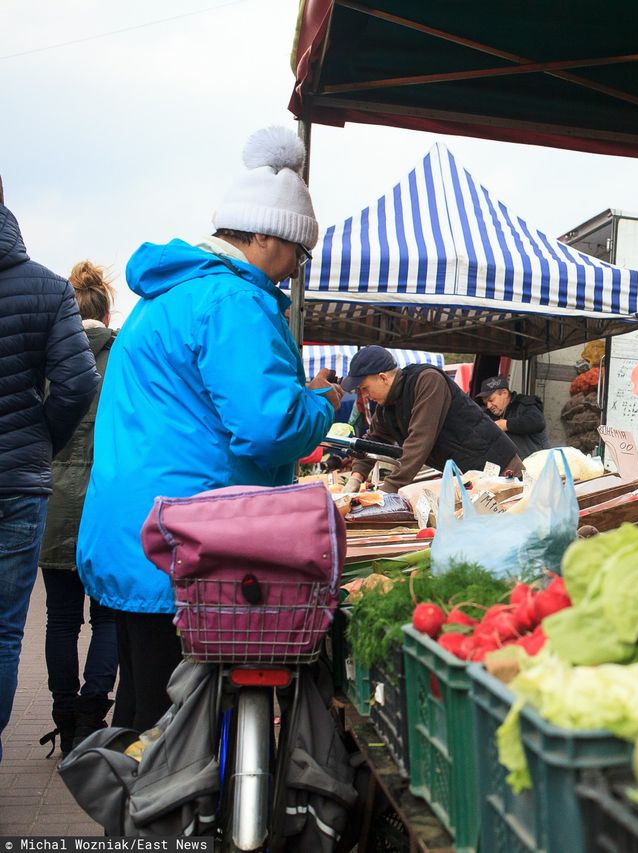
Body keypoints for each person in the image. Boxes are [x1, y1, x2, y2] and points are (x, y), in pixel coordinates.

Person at [77, 127, 342, 732]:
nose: (297, 269)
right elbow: (270, 427)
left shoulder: (167, 296)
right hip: (190, 544)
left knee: (150, 717)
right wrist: (321, 403)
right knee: (186, 733)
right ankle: (181, 828)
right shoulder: (231, 302)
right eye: (299, 253)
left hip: (140, 532)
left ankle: (147, 821)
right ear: (269, 236)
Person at [0, 176, 98, 761]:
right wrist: (42, 438)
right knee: (5, 631)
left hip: (25, 476)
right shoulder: (45, 288)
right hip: (17, 482)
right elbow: (78, 382)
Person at [38, 261, 120, 757]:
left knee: (60, 619)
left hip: (54, 503)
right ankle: (92, 716)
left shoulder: (48, 359)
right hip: (108, 505)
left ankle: (64, 717)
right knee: (109, 618)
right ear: (106, 312)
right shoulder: (123, 359)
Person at [341, 346, 522, 493]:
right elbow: (373, 441)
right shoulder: (384, 409)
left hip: (502, 470)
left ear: (383, 378)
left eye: (364, 388)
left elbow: (420, 439)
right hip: (470, 479)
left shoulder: (427, 380)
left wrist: (389, 489)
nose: (364, 395)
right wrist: (356, 477)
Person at [477, 375, 550, 458]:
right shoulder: (488, 415)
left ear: (504, 393)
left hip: (537, 464)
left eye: (491, 400)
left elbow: (537, 422)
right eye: (486, 403)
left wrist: (506, 425)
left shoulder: (524, 404)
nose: (489, 406)